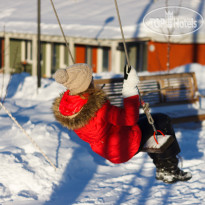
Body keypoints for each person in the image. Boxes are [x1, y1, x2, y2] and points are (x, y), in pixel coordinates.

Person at [52, 63, 192, 184]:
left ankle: (164, 167)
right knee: (161, 120)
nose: (93, 79)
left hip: (106, 147)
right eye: (91, 78)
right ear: (86, 83)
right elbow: (129, 119)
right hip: (122, 147)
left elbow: (106, 122)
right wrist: (130, 90)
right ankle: (169, 170)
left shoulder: (69, 106)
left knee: (147, 120)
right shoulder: (98, 107)